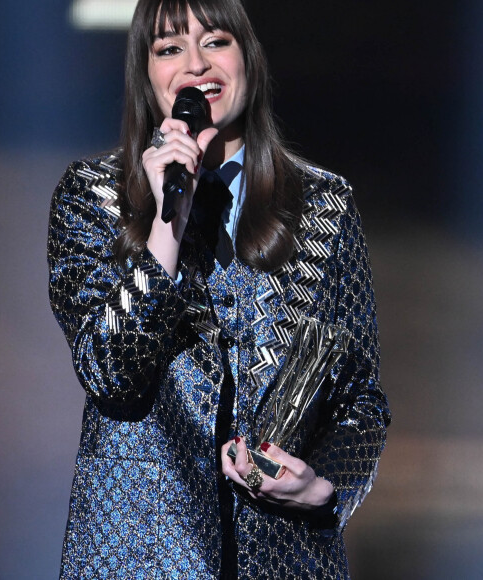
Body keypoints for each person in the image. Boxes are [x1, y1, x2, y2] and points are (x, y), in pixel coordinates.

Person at [48, 0, 391, 577]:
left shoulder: (323, 207)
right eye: (169, 48)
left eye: (215, 41)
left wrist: (325, 488)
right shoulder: (92, 200)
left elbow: (360, 397)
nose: (194, 65)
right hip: (140, 557)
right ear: (146, 74)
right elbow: (111, 371)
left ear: (247, 61)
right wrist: (167, 222)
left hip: (285, 558)